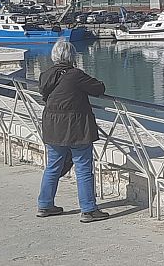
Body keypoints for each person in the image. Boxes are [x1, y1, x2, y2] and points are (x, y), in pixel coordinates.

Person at [37, 40, 110, 223]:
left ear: (54, 56)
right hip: (76, 128)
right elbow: (98, 88)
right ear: (72, 56)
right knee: (83, 168)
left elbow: (45, 95)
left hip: (53, 127)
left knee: (52, 167)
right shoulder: (75, 75)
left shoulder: (46, 75)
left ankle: (45, 205)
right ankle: (88, 210)